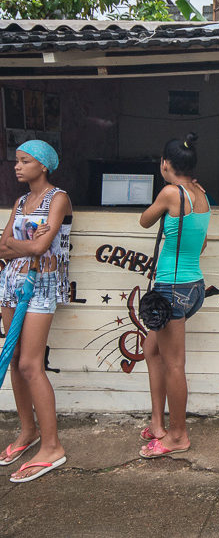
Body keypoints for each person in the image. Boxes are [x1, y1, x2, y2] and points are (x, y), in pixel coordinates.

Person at [0, 140, 71, 482]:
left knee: (30, 363)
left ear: (43, 165)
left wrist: (20, 245)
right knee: (14, 359)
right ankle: (28, 432)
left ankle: (52, 445)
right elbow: (3, 245)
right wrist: (24, 246)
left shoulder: (57, 198)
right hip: (11, 283)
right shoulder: (20, 201)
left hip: (41, 285)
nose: (17, 166)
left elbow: (43, 248)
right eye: (17, 161)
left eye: (25, 161)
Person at [138, 133, 210, 459]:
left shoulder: (170, 193)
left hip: (171, 289)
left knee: (175, 364)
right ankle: (157, 422)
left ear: (166, 164)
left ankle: (178, 435)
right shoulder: (201, 195)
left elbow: (144, 221)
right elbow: (202, 244)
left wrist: (165, 185)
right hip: (193, 286)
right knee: (151, 348)